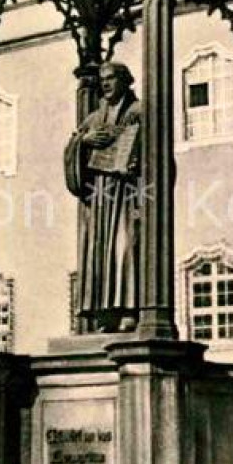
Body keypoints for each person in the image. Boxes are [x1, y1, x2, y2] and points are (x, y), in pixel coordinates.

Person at [64, 62, 141, 332]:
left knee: (125, 246)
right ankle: (105, 314)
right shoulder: (94, 119)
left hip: (128, 191)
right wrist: (84, 141)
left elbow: (156, 149)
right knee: (100, 250)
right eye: (102, 80)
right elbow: (71, 148)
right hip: (100, 195)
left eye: (111, 79)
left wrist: (135, 159)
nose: (105, 84)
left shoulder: (138, 111)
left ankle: (131, 308)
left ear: (125, 81)